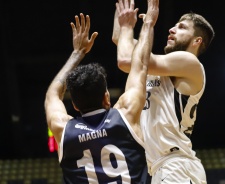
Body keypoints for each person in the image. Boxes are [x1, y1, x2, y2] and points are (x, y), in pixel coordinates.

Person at [44, 1, 159, 182]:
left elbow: (52, 94)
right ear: (107, 97)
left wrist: (78, 53)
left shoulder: (64, 129)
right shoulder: (125, 114)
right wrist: (148, 23)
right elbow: (140, 66)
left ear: (74, 105)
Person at [112, 0, 215, 183]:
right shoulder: (159, 68)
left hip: (177, 165)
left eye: (181, 27)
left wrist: (144, 25)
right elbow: (120, 39)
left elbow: (126, 60)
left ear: (197, 41)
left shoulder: (190, 63)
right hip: (163, 167)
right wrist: (123, 12)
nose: (172, 29)